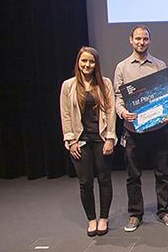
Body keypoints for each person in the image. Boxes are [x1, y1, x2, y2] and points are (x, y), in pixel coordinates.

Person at [114, 26, 168, 232]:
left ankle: (163, 211)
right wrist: (123, 113)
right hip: (133, 130)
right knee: (133, 175)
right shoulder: (122, 67)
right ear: (130, 40)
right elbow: (117, 97)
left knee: (162, 173)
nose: (141, 42)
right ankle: (135, 214)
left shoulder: (159, 65)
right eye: (138, 39)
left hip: (158, 129)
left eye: (145, 39)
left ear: (150, 41)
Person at [59, 46, 116, 237]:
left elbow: (110, 111)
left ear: (96, 64)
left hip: (100, 139)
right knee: (85, 183)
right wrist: (71, 140)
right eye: (84, 61)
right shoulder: (68, 85)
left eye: (91, 61)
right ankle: (91, 219)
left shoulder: (105, 83)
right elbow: (65, 114)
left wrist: (110, 137)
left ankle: (104, 218)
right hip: (80, 141)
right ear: (78, 62)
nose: (87, 65)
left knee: (104, 179)